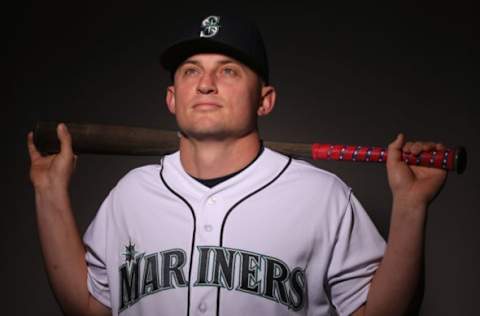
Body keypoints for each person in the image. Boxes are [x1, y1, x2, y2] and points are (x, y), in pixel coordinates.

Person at [27, 14, 447, 316]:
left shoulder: (322, 195)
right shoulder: (131, 194)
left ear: (264, 100)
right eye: (191, 71)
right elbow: (88, 307)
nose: (206, 83)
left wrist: (410, 208)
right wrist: (49, 193)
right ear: (172, 98)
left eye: (228, 71)